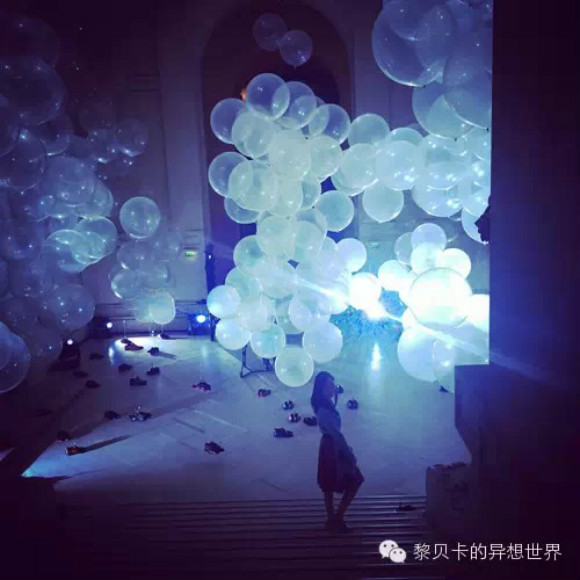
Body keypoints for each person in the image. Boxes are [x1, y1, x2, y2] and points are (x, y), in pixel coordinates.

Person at [311, 371, 364, 533]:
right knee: (355, 479)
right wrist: (349, 453)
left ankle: (332, 519)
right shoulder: (325, 409)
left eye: (333, 383)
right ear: (322, 388)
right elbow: (337, 435)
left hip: (327, 445)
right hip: (332, 448)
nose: (333, 387)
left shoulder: (324, 404)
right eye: (329, 384)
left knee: (328, 484)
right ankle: (337, 518)